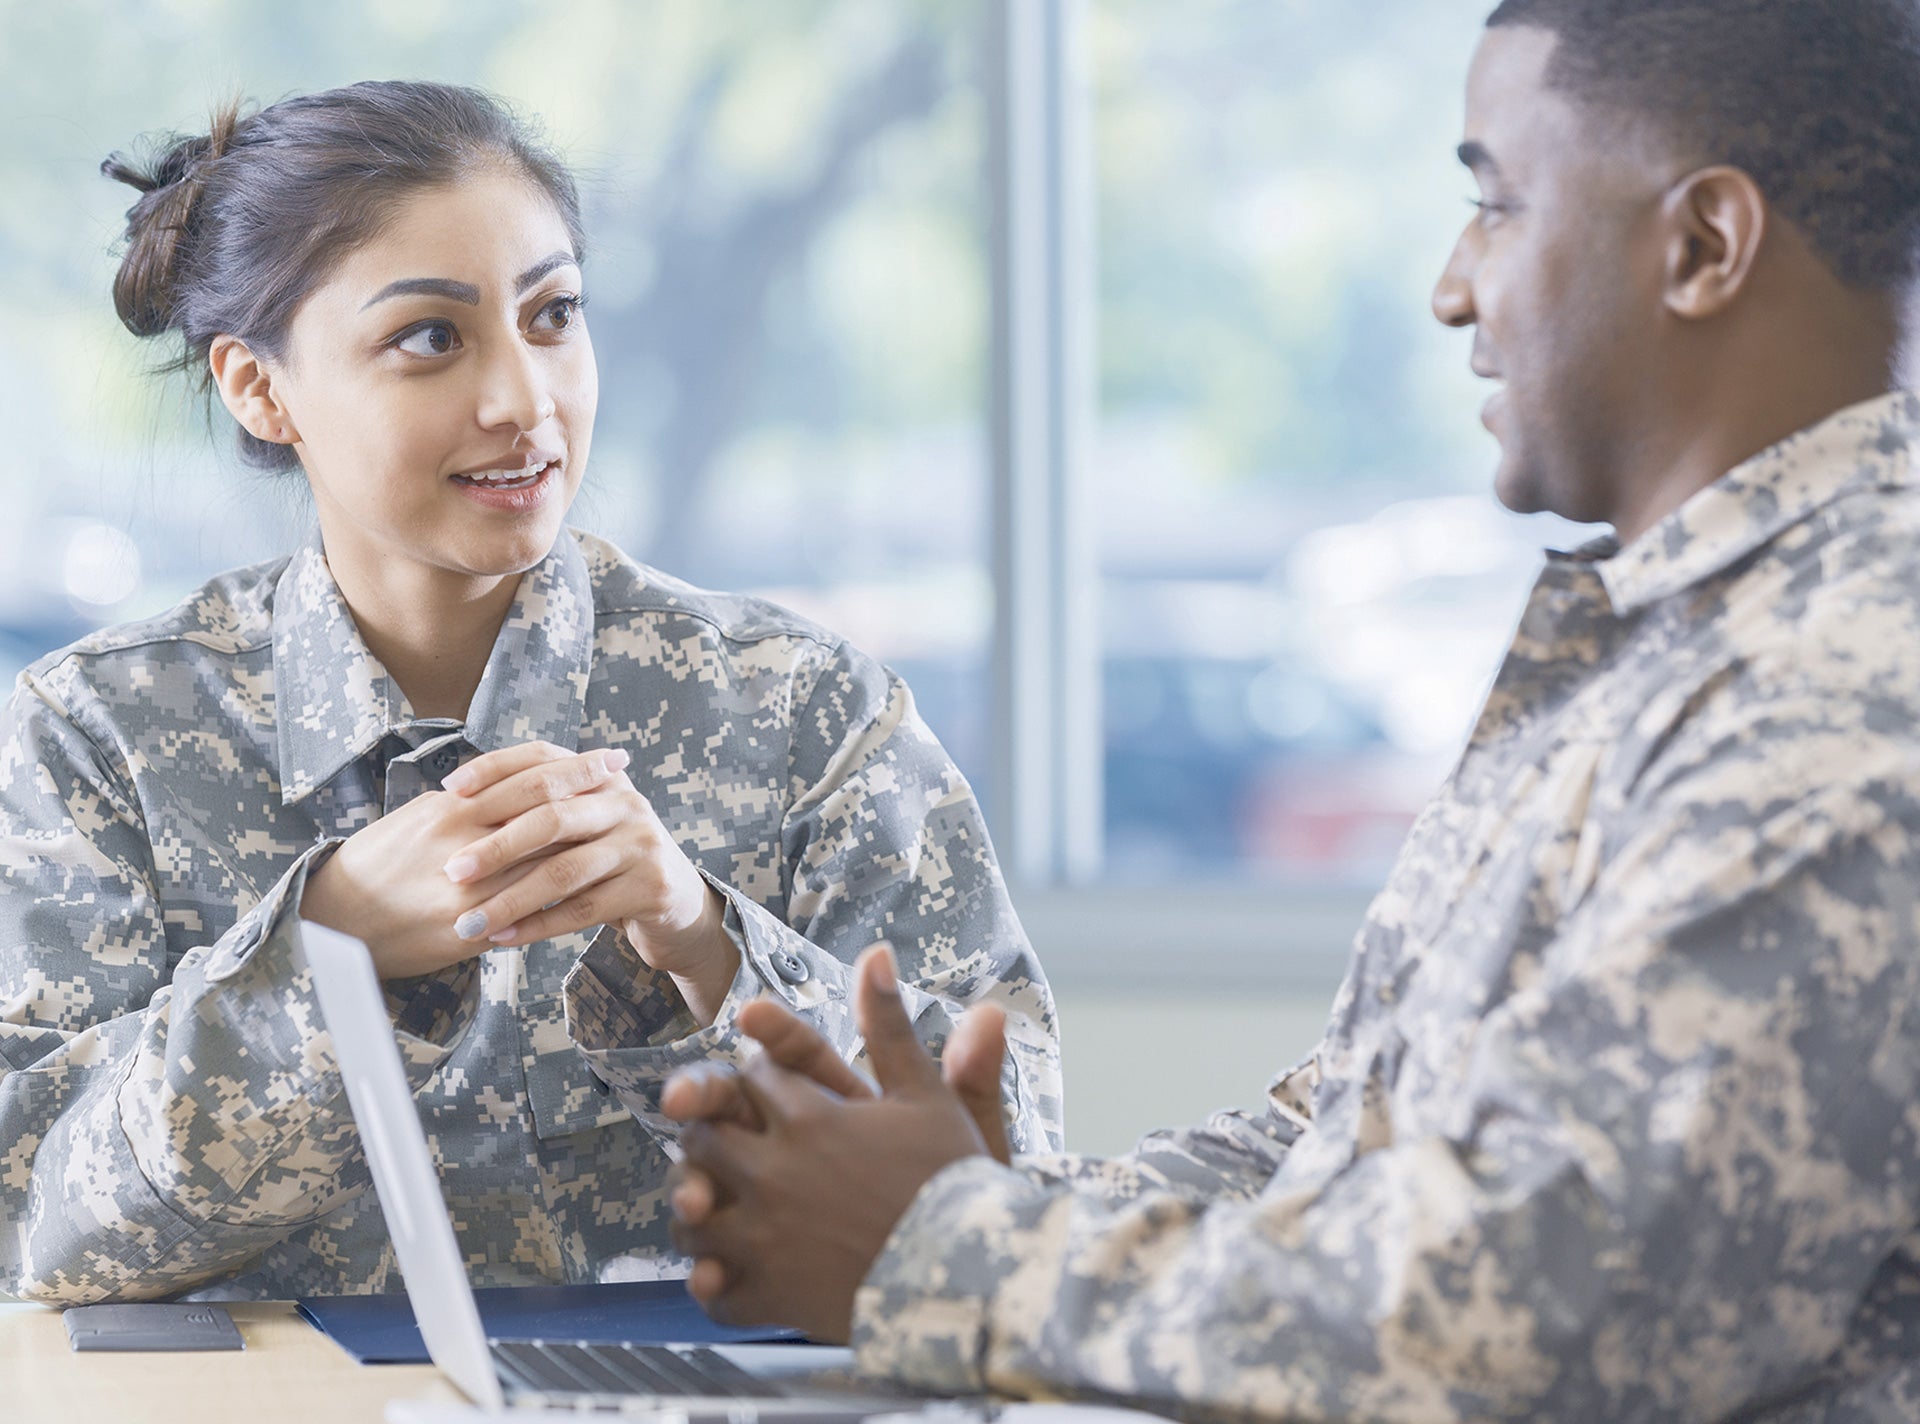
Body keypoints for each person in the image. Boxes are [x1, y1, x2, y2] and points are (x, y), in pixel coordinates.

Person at [660, 1, 1920, 1418]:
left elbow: (1530, 1322)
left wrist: (950, 1247)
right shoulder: (1677, 648)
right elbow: (1342, 1152)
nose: (1453, 288)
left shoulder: (1848, 688)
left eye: (1495, 206)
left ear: (1701, 247)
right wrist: (957, 1190)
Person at [0, 80, 1062, 1305]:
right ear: (259, 387)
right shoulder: (102, 738)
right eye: (431, 338)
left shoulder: (801, 712)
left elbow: (1015, 1172)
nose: (524, 400)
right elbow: (32, 1219)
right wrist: (324, 948)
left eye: (553, 314)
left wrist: (706, 946)